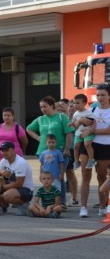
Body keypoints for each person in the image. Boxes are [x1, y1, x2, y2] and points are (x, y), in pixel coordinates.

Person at [26, 96, 73, 208]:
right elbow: (29, 129)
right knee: (46, 177)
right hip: (44, 151)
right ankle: (48, 200)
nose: (43, 109)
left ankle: (61, 202)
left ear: (52, 106)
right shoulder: (40, 119)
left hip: (60, 151)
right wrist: (39, 138)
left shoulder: (62, 117)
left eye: (45, 106)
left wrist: (67, 149)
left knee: (58, 176)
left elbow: (69, 133)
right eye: (41, 107)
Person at [75, 84, 110, 217]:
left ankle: (103, 206)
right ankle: (83, 207)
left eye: (103, 95)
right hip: (89, 144)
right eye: (98, 95)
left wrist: (92, 130)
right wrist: (81, 121)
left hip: (105, 147)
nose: (100, 97)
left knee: (102, 177)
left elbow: (108, 130)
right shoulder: (93, 107)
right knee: (85, 175)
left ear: (109, 96)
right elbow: (86, 120)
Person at [0, 141, 35, 216]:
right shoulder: (4, 160)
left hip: (25, 190)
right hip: (11, 187)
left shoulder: (20, 163)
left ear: (13, 150)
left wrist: (2, 187)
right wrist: (1, 172)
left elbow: (19, 184)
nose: (4, 152)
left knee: (7, 195)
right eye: (2, 150)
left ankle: (24, 205)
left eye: (7, 150)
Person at [71, 93, 96, 169]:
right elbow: (74, 123)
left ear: (84, 103)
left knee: (87, 144)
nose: (75, 105)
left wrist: (91, 130)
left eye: (77, 103)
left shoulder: (88, 112)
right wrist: (72, 123)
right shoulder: (75, 114)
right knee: (76, 146)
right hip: (78, 133)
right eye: (74, 103)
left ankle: (91, 159)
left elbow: (92, 121)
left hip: (87, 132)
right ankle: (76, 161)